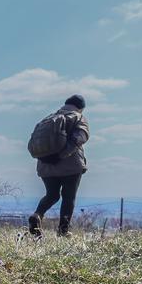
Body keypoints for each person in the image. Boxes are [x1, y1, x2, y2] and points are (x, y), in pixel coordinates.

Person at [28, 94, 90, 237]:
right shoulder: (78, 117)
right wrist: (61, 155)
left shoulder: (48, 118)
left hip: (46, 165)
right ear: (81, 107)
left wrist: (50, 157)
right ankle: (63, 231)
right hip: (71, 166)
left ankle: (37, 215)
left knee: (52, 195)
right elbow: (80, 137)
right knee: (68, 197)